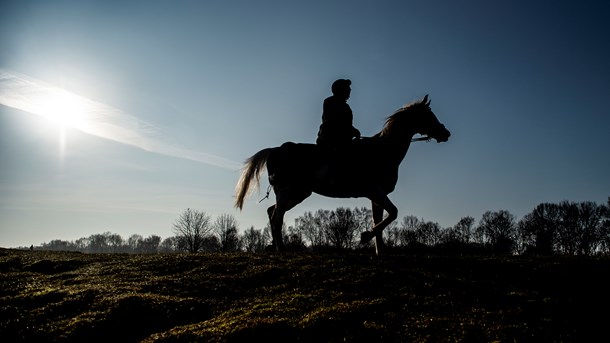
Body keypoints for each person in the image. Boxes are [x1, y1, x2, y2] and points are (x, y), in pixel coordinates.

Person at [316, 79, 360, 149]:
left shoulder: (346, 107)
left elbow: (347, 124)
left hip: (344, 140)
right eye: (347, 89)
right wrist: (353, 131)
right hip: (331, 140)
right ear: (340, 89)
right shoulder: (329, 102)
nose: (350, 90)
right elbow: (333, 122)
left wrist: (353, 131)